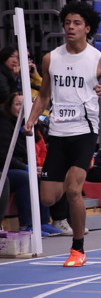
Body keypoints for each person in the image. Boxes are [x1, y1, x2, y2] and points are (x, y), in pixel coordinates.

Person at [24, 1, 101, 266]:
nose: (70, 27)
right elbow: (45, 95)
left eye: (76, 23)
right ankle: (68, 185)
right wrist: (31, 120)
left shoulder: (100, 60)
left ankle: (78, 249)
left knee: (74, 190)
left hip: (84, 132)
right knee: (48, 197)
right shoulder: (51, 58)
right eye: (67, 23)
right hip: (58, 131)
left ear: (87, 28)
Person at [0, 92, 59, 235]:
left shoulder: (29, 124)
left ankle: (43, 222)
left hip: (21, 166)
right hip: (6, 168)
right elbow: (4, 156)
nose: (22, 108)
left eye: (25, 105)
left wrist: (35, 168)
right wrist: (27, 168)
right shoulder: (4, 124)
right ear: (9, 107)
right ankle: (27, 225)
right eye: (18, 104)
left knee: (43, 175)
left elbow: (36, 149)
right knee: (25, 177)